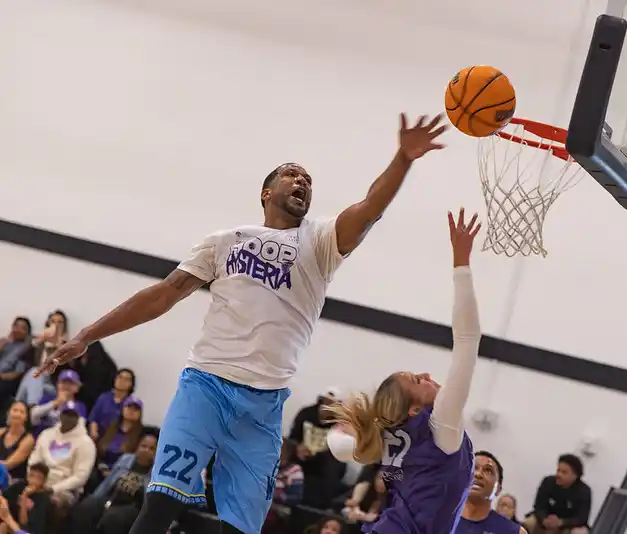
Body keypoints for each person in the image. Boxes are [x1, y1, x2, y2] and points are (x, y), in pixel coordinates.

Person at [37, 113, 447, 534]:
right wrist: (88, 335)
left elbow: (369, 208)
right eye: (292, 175)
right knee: (159, 502)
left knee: (242, 528)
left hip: (264, 406)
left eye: (308, 179)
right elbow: (164, 294)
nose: (302, 182)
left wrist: (403, 157)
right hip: (206, 386)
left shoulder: (320, 241)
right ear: (267, 192)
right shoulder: (226, 240)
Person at [326, 208, 482, 534]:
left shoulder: (389, 433)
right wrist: (461, 263)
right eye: (417, 380)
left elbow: (338, 447)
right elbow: (467, 340)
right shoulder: (442, 426)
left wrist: (348, 432)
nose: (426, 375)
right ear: (414, 407)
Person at [455, 451, 524, 534]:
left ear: (498, 489)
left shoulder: (514, 532)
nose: (478, 474)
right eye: (473, 468)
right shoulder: (439, 519)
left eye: (488, 470)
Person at [522, 455, 591, 534]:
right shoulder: (548, 482)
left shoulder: (584, 491)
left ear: (575, 476)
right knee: (529, 523)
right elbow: (538, 506)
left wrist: (561, 522)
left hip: (567, 526)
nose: (559, 474)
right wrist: (544, 519)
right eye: (558, 470)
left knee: (580, 532)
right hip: (544, 520)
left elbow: (581, 518)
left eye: (564, 472)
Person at [1, 463, 52, 534]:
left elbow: (24, 523)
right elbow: (3, 497)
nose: (33, 480)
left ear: (44, 481)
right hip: (10, 522)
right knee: (3, 524)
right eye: (31, 476)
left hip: (26, 530)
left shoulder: (44, 500)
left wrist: (25, 496)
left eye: (38, 478)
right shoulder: (19, 486)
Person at [0, 402, 34, 481]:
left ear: (26, 417)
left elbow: (9, 464)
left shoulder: (28, 439)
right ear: (9, 413)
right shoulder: (1, 431)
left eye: (21, 412)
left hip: (13, 480)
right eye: (15, 410)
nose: (17, 414)